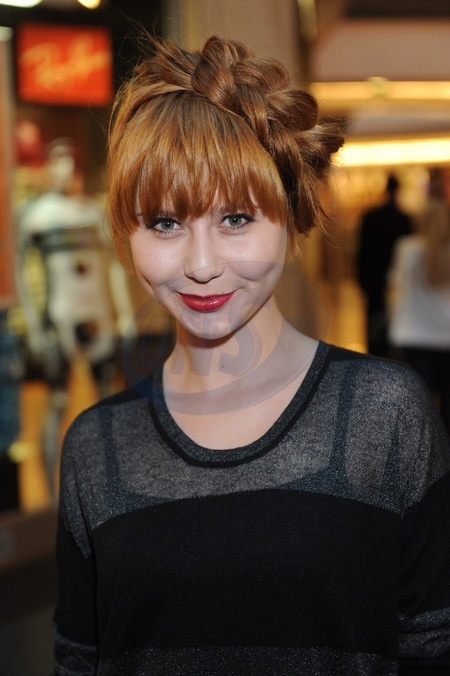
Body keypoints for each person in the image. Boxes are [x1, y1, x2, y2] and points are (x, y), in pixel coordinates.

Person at [53, 34, 450, 675]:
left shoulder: (385, 414)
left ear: (291, 217)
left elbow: (433, 649)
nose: (201, 264)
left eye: (236, 218)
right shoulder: (96, 448)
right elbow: (80, 661)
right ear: (127, 233)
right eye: (164, 223)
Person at [16, 138, 133, 500]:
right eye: (57, 163)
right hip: (60, 318)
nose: (64, 170)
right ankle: (52, 498)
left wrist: (124, 312)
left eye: (69, 162)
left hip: (96, 315)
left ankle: (112, 488)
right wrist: (33, 324)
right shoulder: (35, 215)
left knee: (107, 399)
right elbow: (21, 272)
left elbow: (112, 266)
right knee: (56, 402)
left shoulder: (92, 213)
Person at [388, 168, 450, 434]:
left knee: (421, 400)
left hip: (413, 333)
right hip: (445, 335)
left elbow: (394, 287)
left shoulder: (406, 248)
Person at [356, 174, 412, 357]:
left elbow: (362, 250)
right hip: (396, 280)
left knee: (373, 317)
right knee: (394, 317)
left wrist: (362, 279)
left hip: (373, 277)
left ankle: (374, 352)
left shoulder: (371, 217)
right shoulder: (404, 219)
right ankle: (391, 353)